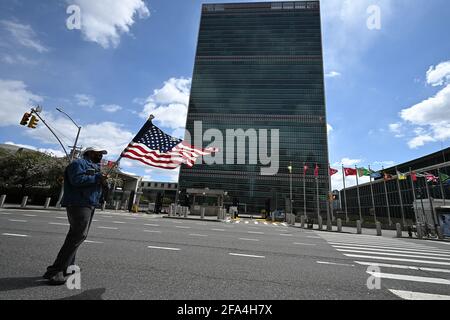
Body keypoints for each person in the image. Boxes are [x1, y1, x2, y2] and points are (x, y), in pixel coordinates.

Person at [43, 147, 108, 285]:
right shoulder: (78, 164)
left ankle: (67, 267)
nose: (100, 156)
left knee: (77, 236)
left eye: (101, 154)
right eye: (98, 153)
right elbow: (76, 180)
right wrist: (97, 177)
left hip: (89, 203)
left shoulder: (95, 167)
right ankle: (55, 271)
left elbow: (93, 184)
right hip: (78, 203)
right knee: (77, 236)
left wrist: (102, 183)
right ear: (89, 153)